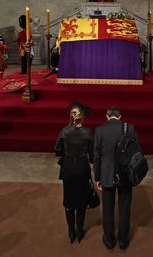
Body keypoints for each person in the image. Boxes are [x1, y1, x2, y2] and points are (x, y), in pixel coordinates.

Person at [94, 107, 137, 252]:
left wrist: (98, 177)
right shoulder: (130, 128)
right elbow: (135, 152)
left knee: (108, 208)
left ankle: (109, 239)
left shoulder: (100, 130)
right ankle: (123, 240)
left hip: (107, 173)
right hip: (125, 174)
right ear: (120, 116)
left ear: (107, 116)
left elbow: (97, 157)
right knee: (125, 207)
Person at [54, 101, 94, 244]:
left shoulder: (64, 131)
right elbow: (93, 154)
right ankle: (80, 230)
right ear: (82, 117)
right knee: (82, 201)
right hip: (82, 169)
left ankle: (71, 231)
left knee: (69, 201)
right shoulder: (88, 132)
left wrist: (66, 154)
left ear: (71, 116)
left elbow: (57, 150)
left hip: (68, 168)